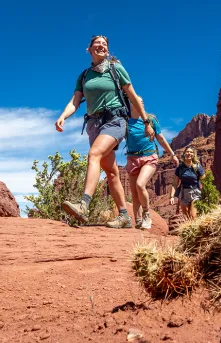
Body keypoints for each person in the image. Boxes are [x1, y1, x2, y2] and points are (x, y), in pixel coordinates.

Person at [55, 35, 154, 228]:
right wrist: (63, 116)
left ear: (107, 50)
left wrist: (146, 121)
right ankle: (124, 216)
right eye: (97, 43)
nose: (101, 46)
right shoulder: (84, 76)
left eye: (104, 44)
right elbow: (75, 101)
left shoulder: (116, 69)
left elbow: (132, 95)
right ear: (89, 49)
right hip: (94, 124)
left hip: (115, 121)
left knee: (94, 154)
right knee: (111, 172)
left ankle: (84, 204)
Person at [126, 105, 179, 230]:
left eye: (142, 103)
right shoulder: (126, 121)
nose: (141, 105)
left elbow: (160, 138)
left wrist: (172, 154)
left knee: (140, 184)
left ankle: (147, 214)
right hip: (132, 159)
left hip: (149, 156)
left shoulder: (150, 120)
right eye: (137, 103)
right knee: (134, 195)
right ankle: (138, 222)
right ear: (131, 105)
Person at [170, 147, 204, 220]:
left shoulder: (197, 166)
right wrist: (171, 196)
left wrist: (206, 194)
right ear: (184, 154)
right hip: (184, 193)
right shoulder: (180, 168)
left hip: (195, 192)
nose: (189, 153)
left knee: (193, 216)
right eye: (187, 152)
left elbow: (204, 180)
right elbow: (175, 183)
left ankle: (195, 230)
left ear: (193, 155)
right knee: (186, 217)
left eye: (191, 152)